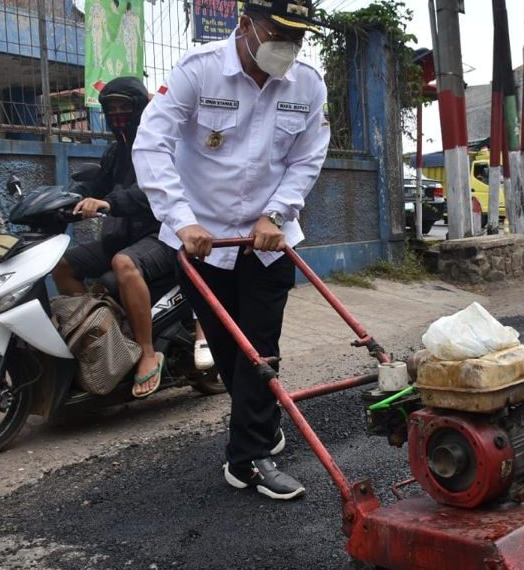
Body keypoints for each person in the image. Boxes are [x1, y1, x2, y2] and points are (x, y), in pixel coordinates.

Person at [133, 0, 329, 500]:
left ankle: (247, 460)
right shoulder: (197, 74)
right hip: (205, 244)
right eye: (277, 32)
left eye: (298, 37)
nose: (287, 47)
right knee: (226, 351)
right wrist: (182, 221)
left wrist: (277, 213)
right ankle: (258, 426)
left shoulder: (306, 84)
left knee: (259, 349)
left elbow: (308, 157)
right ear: (244, 25)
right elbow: (151, 146)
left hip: (267, 243)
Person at [52, 77, 213, 398]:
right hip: (121, 235)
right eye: (111, 108)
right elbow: (95, 183)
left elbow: (154, 191)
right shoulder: (116, 152)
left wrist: (110, 203)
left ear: (141, 108)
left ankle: (147, 352)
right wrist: (65, 199)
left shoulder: (161, 143)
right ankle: (102, 333)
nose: (117, 114)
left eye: (124, 107)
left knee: (123, 264)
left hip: (163, 235)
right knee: (63, 265)